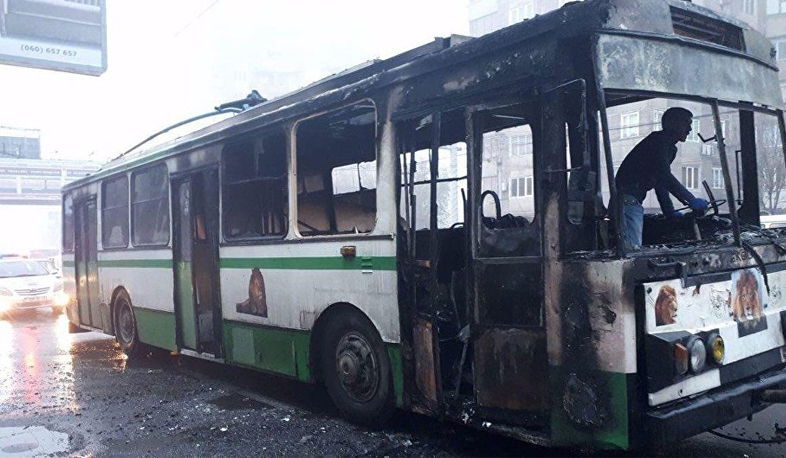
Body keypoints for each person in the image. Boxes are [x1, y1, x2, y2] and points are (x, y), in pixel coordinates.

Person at [614, 107, 709, 250]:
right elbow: (664, 175)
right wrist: (691, 199)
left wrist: (669, 211)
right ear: (673, 124)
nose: (690, 129)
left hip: (632, 200)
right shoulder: (658, 142)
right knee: (631, 251)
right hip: (627, 201)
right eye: (686, 123)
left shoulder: (669, 148)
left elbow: (659, 182)